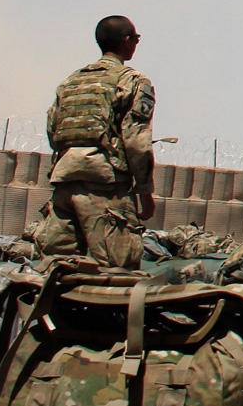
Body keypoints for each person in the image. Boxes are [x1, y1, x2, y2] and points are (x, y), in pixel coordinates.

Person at [39, 15, 157, 268]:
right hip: (106, 185)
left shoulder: (70, 81)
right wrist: (145, 191)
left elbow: (53, 129)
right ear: (127, 41)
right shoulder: (133, 80)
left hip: (64, 181)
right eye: (136, 38)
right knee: (117, 271)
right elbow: (136, 141)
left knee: (57, 270)